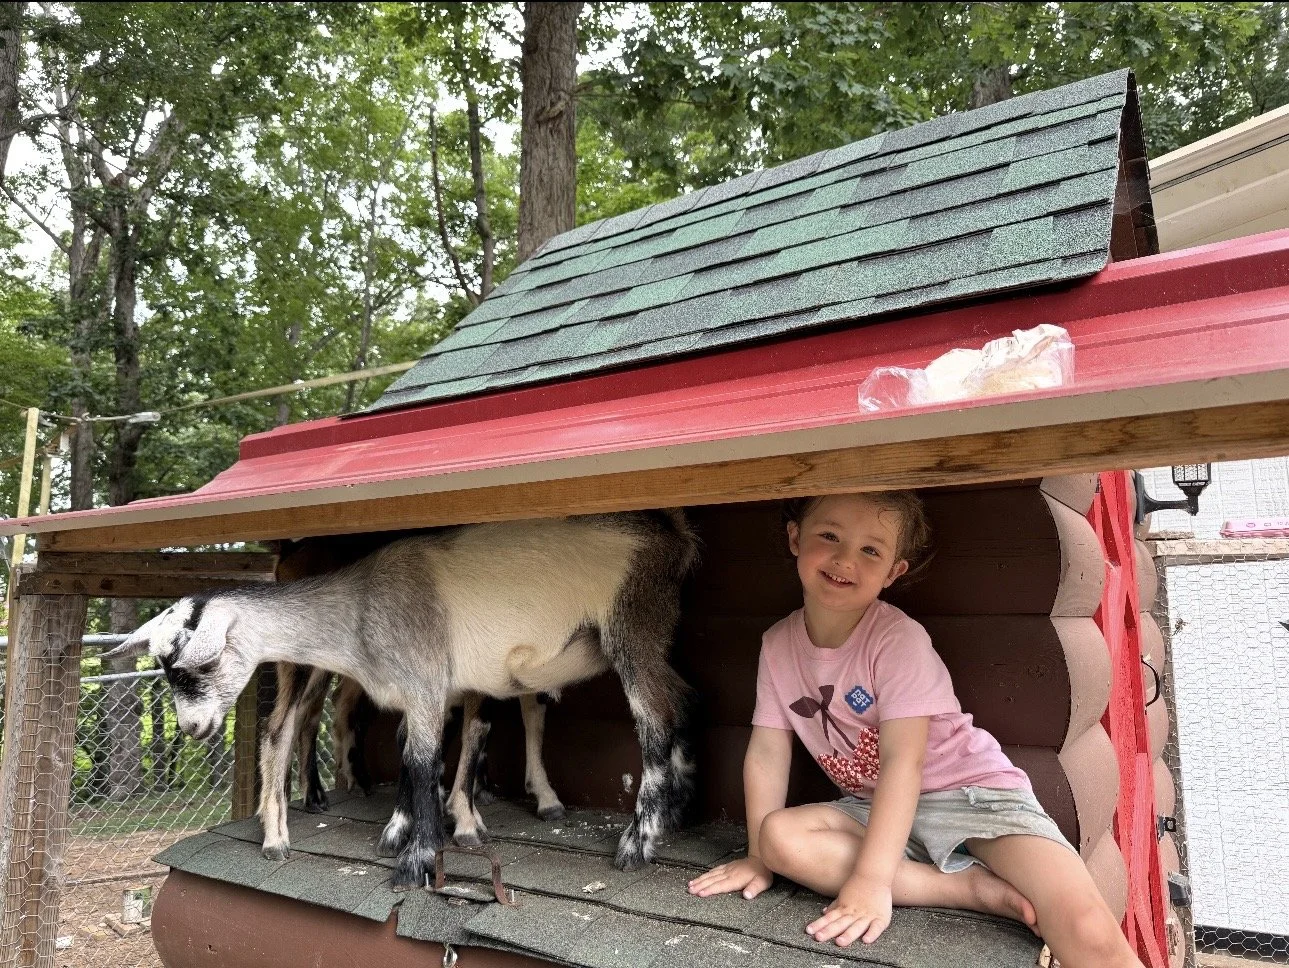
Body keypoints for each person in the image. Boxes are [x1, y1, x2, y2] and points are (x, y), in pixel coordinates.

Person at [687, 492, 1145, 967]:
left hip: (973, 797)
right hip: (874, 808)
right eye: (829, 536)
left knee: (1086, 926)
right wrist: (760, 857)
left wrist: (871, 883)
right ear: (794, 537)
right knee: (779, 838)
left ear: (892, 572)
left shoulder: (896, 639)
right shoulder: (778, 644)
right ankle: (970, 889)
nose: (845, 559)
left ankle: (917, 871)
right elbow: (767, 751)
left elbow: (903, 762)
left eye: (871, 550)